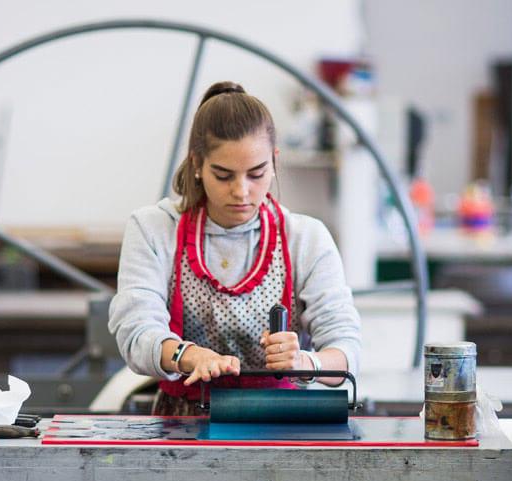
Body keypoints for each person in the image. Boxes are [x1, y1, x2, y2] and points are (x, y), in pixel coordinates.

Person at [109, 81, 361, 416]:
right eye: (224, 176)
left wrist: (304, 361)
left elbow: (347, 349)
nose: (241, 191)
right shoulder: (154, 229)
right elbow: (136, 332)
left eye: (256, 174)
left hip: (281, 426)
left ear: (274, 162)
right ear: (197, 163)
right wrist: (189, 356)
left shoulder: (306, 238)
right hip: (182, 427)